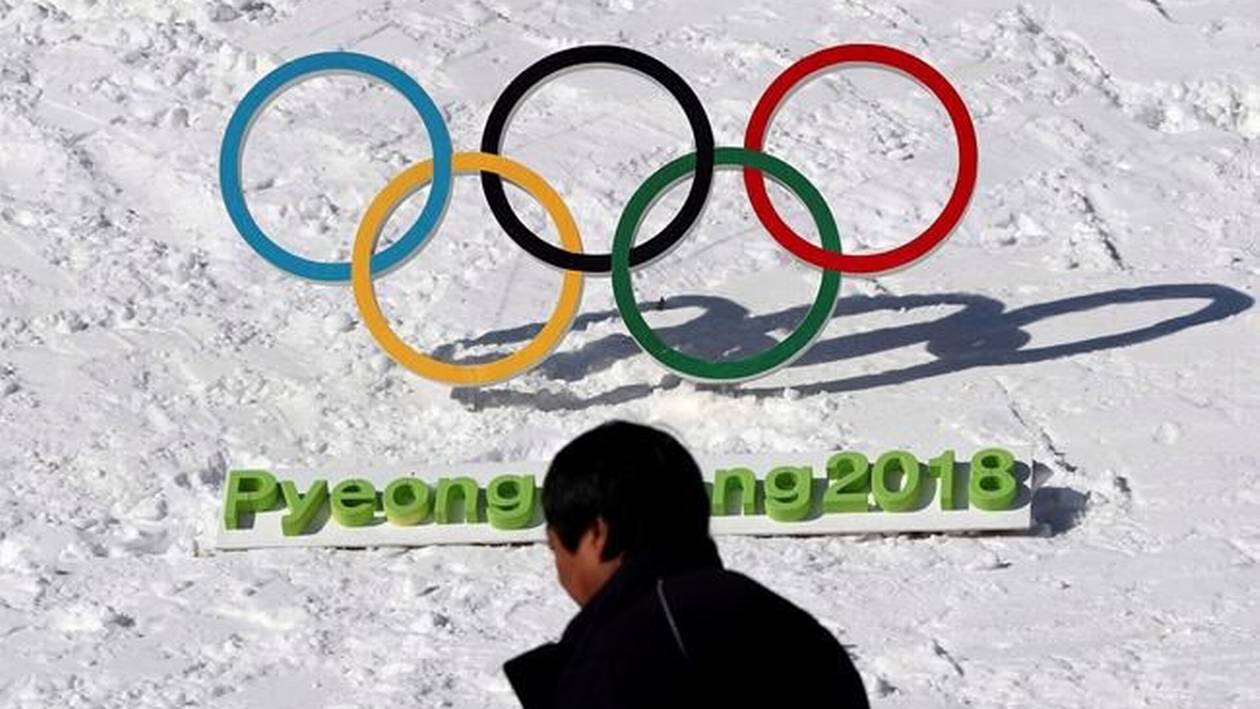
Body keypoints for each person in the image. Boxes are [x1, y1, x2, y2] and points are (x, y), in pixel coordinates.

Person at [505, 420, 869, 708]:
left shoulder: (620, 656)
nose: (561, 573)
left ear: (597, 534)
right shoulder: (795, 633)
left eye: (555, 549)